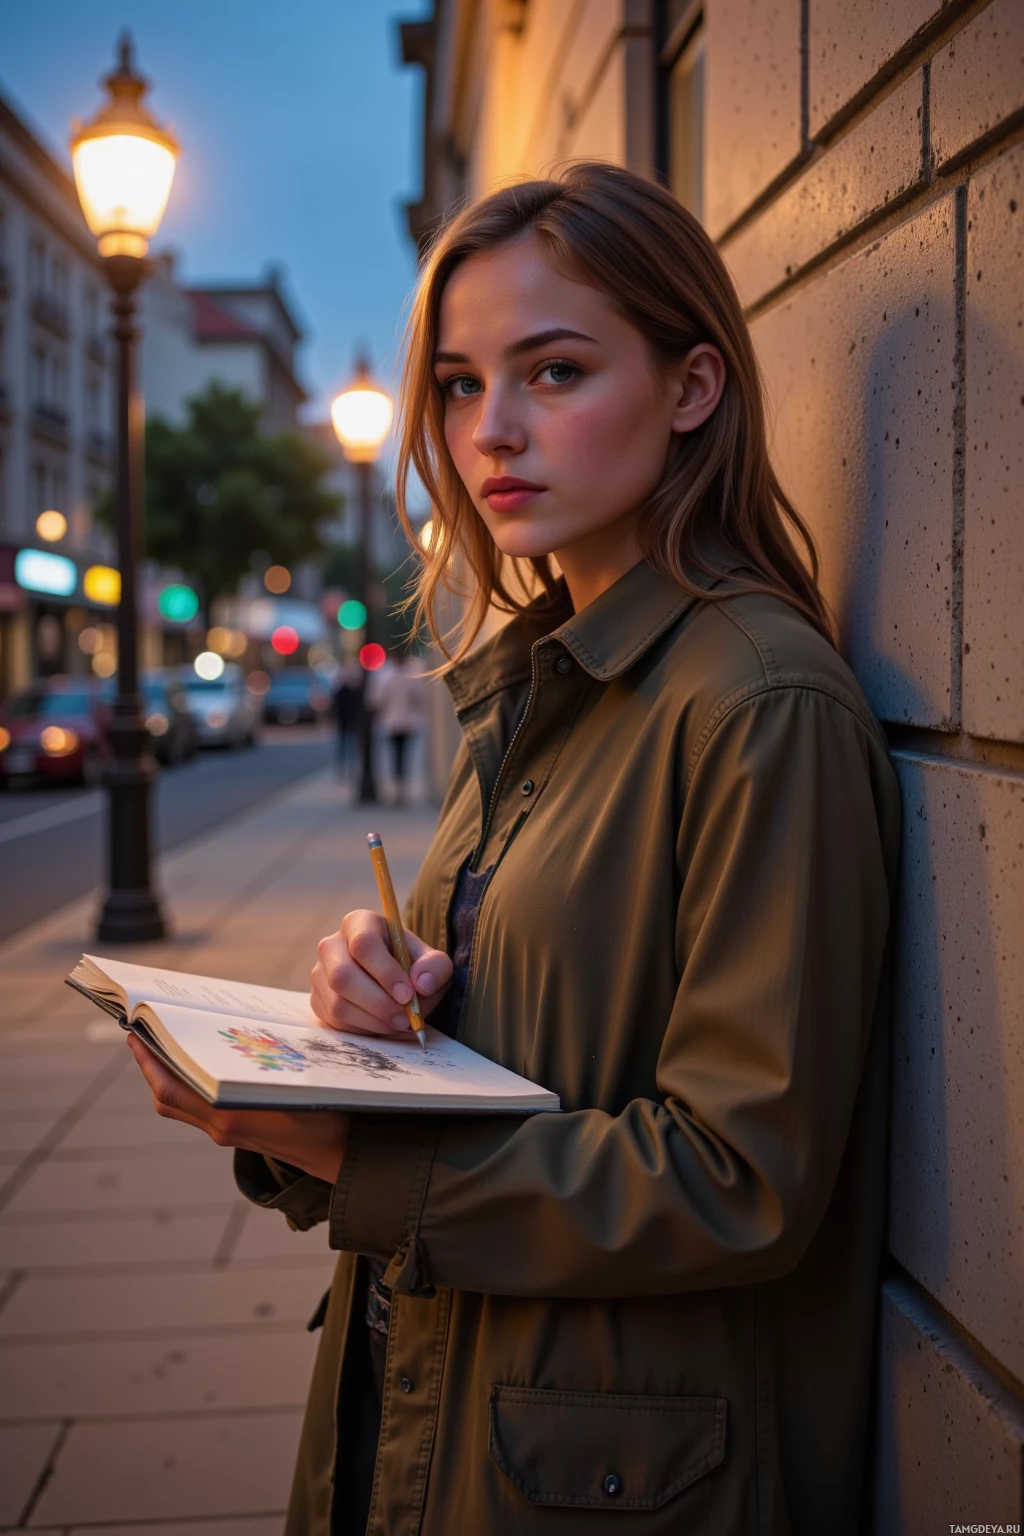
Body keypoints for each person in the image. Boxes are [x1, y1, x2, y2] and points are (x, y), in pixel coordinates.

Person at [128, 162, 901, 1535]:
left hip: (604, 1468)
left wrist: (350, 1158)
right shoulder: (543, 677)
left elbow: (742, 1182)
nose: (492, 434)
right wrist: (371, 1000)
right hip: (436, 1404)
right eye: (461, 385)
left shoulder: (755, 704)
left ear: (692, 388)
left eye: (552, 372)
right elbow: (519, 1035)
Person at [364, 649, 428, 805]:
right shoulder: (387, 675)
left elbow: (419, 699)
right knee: (395, 757)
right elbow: (376, 700)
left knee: (401, 757)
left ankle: (400, 789)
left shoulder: (404, 675)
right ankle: (397, 789)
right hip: (392, 723)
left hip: (403, 722)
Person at [330, 659, 363, 786]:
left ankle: (350, 770)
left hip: (350, 725)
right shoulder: (341, 692)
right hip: (344, 724)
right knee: (344, 748)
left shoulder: (354, 691)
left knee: (350, 749)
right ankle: (343, 770)